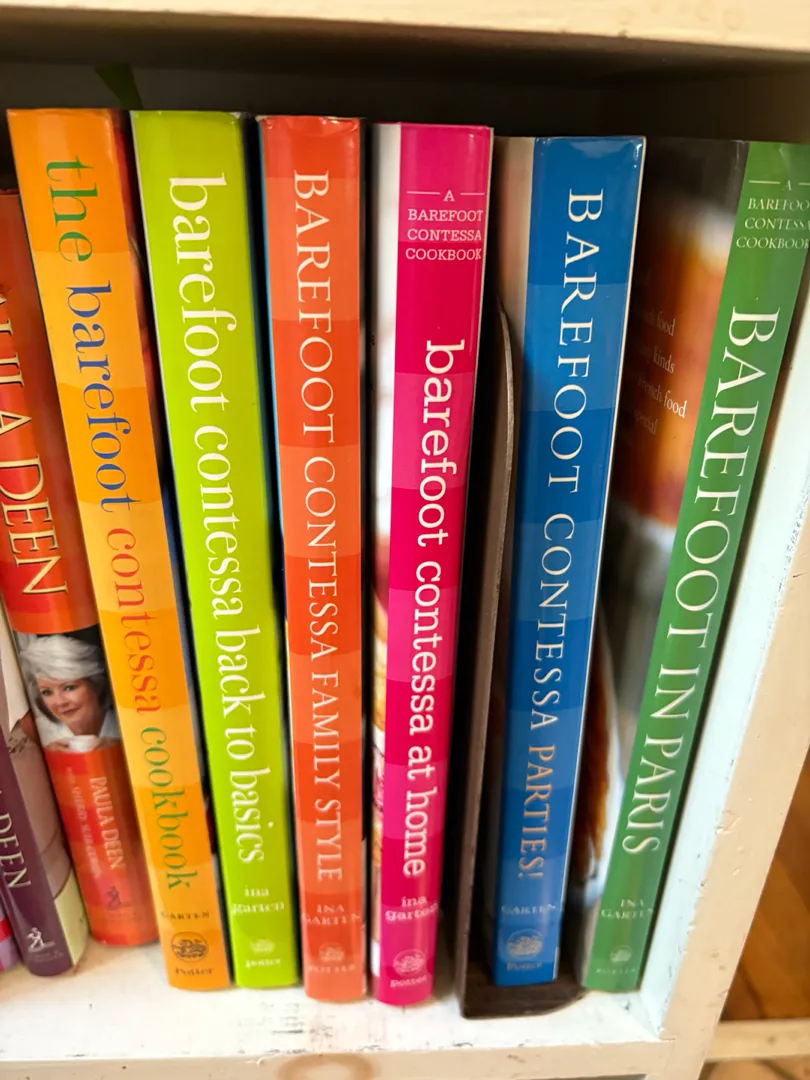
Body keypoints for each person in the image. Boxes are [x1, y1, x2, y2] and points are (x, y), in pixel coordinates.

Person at [16, 633, 119, 747]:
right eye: (47, 692)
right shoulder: (41, 734)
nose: (60, 702)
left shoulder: (124, 724)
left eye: (69, 688)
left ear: (97, 685)